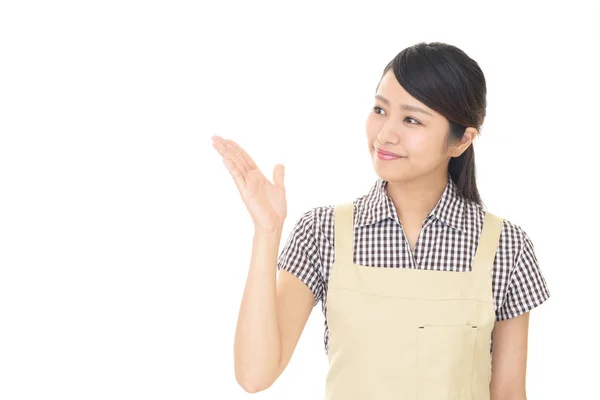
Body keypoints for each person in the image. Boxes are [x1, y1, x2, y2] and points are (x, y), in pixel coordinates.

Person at [211, 41, 550, 399]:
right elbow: (255, 375)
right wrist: (267, 231)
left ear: (462, 140)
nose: (385, 134)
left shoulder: (505, 246)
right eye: (379, 109)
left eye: (411, 119)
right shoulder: (322, 232)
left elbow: (509, 392)